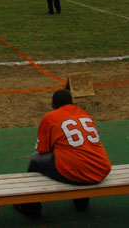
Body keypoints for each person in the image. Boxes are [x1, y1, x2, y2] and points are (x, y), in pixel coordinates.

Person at [15, 89, 111, 219]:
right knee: (80, 157)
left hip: (76, 171)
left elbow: (42, 150)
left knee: (35, 159)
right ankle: (81, 203)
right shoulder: (85, 115)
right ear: (72, 103)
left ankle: (31, 207)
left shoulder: (50, 117)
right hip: (101, 168)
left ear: (53, 104)